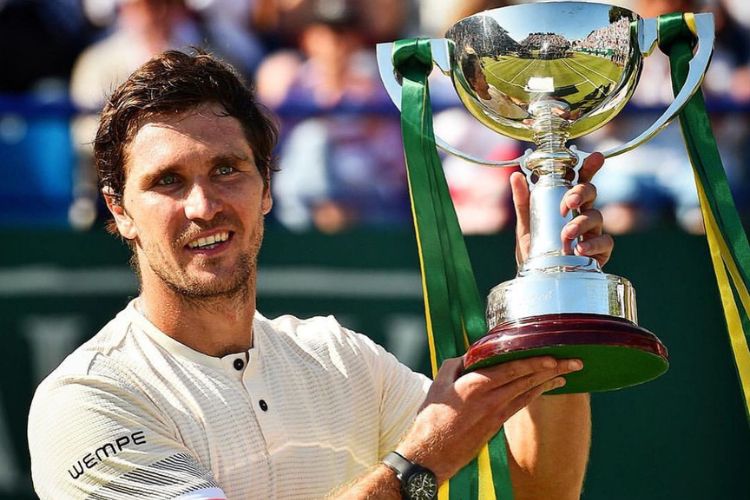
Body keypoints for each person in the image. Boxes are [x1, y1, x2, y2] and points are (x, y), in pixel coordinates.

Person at [28, 50, 612, 499]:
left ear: (267, 191)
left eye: (227, 170)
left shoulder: (339, 357)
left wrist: (550, 292)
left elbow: (538, 489)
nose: (203, 206)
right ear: (120, 210)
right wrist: (422, 461)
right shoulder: (85, 401)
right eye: (167, 181)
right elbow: (431, 455)